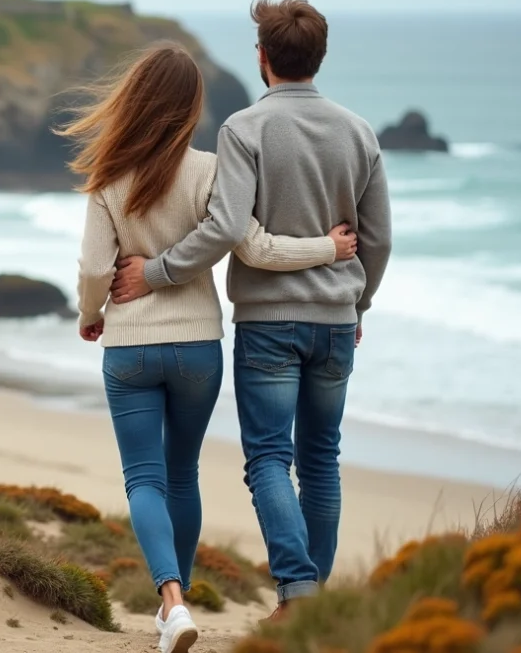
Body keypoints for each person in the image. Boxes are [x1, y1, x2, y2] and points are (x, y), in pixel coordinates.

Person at [62, 42, 359, 653]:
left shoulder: (108, 180)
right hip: (198, 345)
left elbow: (95, 268)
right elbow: (255, 248)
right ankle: (190, 599)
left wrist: (92, 314)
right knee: (182, 472)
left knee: (143, 477)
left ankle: (173, 604)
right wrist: (329, 250)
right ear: (191, 108)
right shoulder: (208, 171)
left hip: (131, 349)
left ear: (133, 103)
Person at [109, 0, 393, 621]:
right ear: (319, 57)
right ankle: (308, 605)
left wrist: (155, 273)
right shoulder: (360, 132)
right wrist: (360, 301)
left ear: (262, 57)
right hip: (337, 323)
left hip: (267, 325)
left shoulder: (243, 129)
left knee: (269, 458)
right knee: (323, 458)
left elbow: (227, 227)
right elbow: (379, 240)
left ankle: (297, 594)